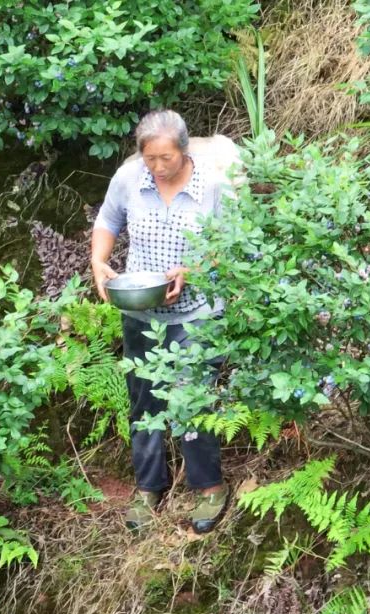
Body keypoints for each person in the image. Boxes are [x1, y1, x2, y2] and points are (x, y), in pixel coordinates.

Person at [90, 109, 233, 534]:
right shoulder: (130, 179)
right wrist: (99, 261)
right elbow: (107, 221)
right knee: (144, 400)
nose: (157, 167)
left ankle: (209, 488)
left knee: (192, 398)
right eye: (150, 158)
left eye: (165, 158)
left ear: (184, 152)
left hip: (197, 313)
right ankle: (149, 487)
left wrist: (192, 267)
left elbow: (232, 242)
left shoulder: (214, 186)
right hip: (141, 311)